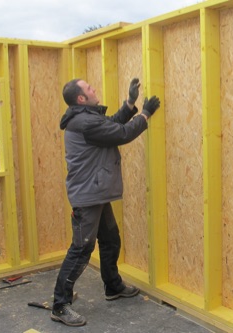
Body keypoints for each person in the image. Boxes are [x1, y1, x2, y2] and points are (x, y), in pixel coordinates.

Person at [51, 77, 161, 327]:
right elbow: (121, 133)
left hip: (96, 192)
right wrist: (144, 114)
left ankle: (113, 286)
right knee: (81, 250)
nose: (94, 89)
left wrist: (130, 103)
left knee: (110, 239)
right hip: (88, 196)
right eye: (89, 88)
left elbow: (110, 124)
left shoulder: (86, 119)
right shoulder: (84, 122)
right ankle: (60, 305)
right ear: (81, 99)